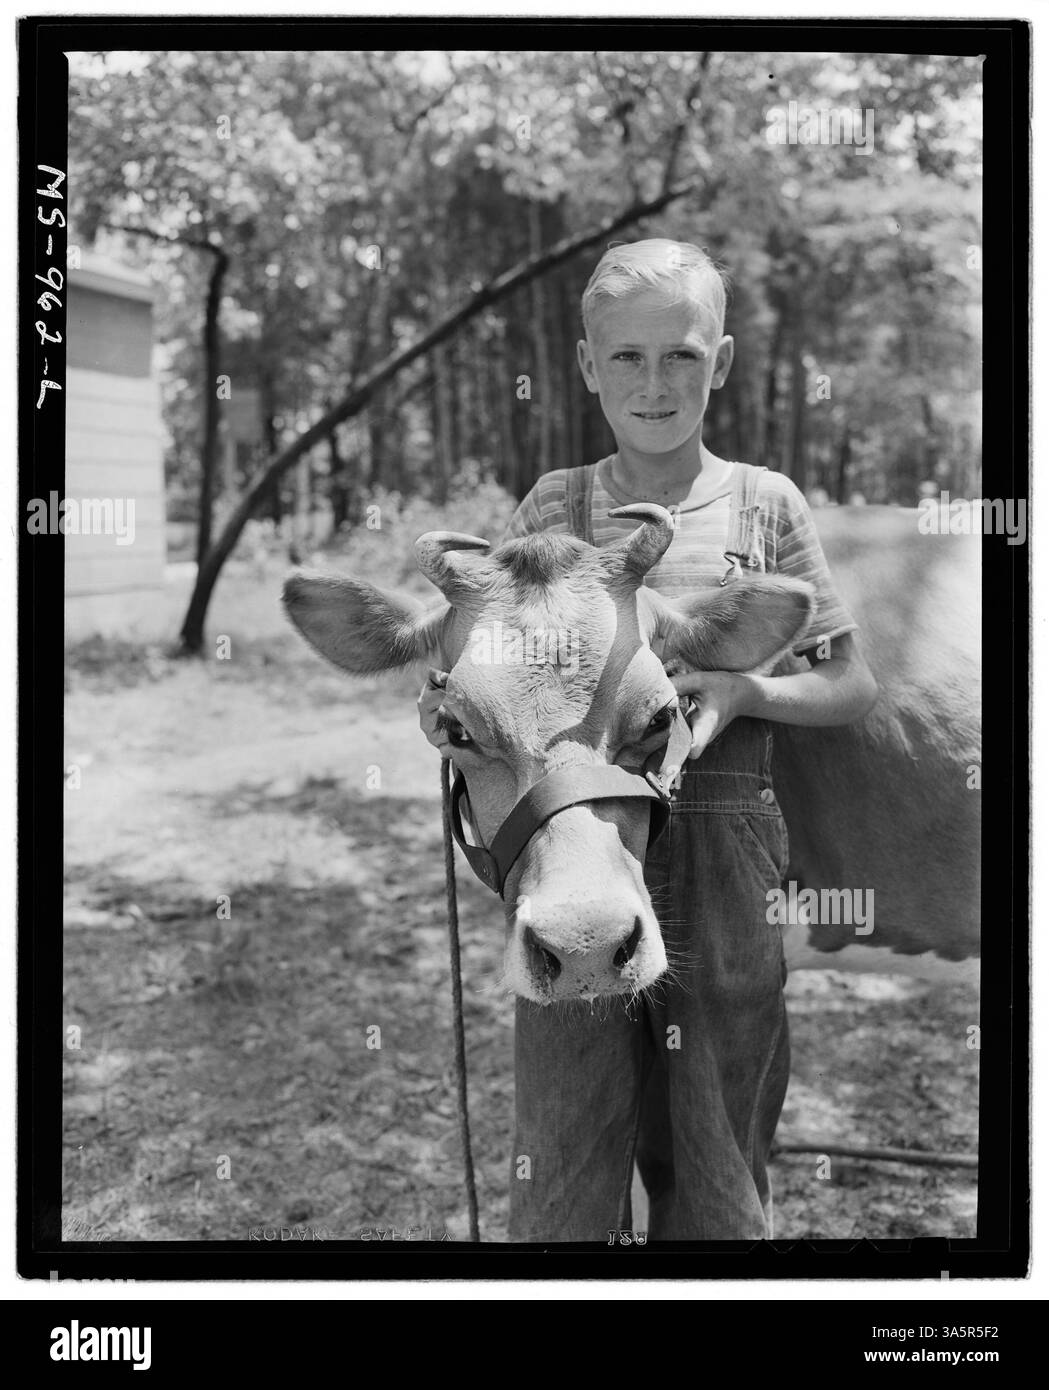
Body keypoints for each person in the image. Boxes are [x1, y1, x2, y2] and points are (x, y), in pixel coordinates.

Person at [418, 238, 878, 1240]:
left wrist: (744, 686)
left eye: (678, 356)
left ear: (716, 364)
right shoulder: (555, 506)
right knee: (565, 1130)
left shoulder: (766, 505)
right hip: (573, 843)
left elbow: (850, 683)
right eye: (625, 357)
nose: (653, 382)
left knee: (714, 1151)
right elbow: (495, 644)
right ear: (586, 366)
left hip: (721, 856)